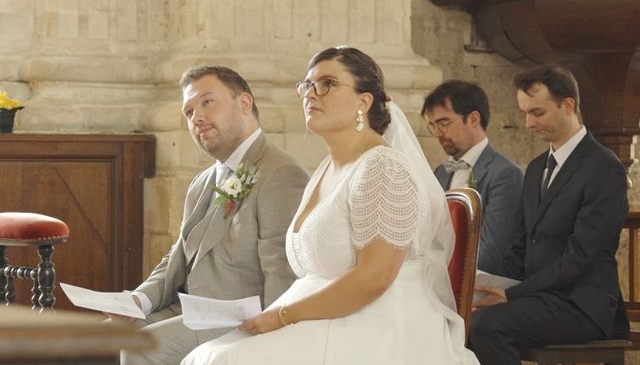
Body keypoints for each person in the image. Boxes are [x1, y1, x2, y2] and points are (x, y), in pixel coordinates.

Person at [182, 47, 479, 365]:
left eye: (327, 83)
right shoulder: (326, 168)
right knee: (209, 354)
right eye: (307, 86)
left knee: (222, 360)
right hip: (325, 317)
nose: (311, 94)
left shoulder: (383, 167)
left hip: (378, 322)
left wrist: (283, 316)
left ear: (364, 102)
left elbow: (374, 278)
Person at [121, 65, 309, 364]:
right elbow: (177, 257)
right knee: (113, 334)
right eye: (189, 111)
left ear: (244, 103)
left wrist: (274, 339)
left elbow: (283, 268)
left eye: (207, 102)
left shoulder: (280, 172)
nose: (196, 117)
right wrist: (138, 299)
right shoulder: (202, 182)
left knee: (143, 345)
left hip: (243, 317)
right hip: (192, 311)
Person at [469, 64, 630, 365]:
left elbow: (580, 256)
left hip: (581, 303)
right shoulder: (535, 169)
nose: (528, 123)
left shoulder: (604, 167)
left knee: (487, 327)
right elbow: (519, 247)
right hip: (540, 298)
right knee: (463, 322)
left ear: (568, 105)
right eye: (525, 113)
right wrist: (483, 286)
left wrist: (513, 295)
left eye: (537, 112)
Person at [422, 80, 523, 274]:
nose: (437, 133)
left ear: (474, 119)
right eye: (432, 126)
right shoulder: (441, 172)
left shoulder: (505, 173)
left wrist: (444, 279)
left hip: (481, 283)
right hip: (442, 275)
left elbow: (491, 251)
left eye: (444, 123)